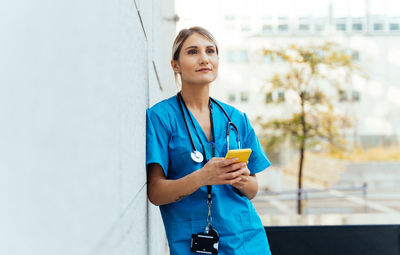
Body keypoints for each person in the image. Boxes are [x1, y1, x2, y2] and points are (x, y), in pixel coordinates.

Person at [146, 26, 272, 255]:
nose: (204, 58)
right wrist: (203, 176)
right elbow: (155, 192)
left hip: (246, 241)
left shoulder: (236, 118)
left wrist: (241, 179)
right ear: (175, 65)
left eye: (210, 51)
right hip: (194, 244)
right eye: (192, 52)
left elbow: (253, 190)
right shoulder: (161, 118)